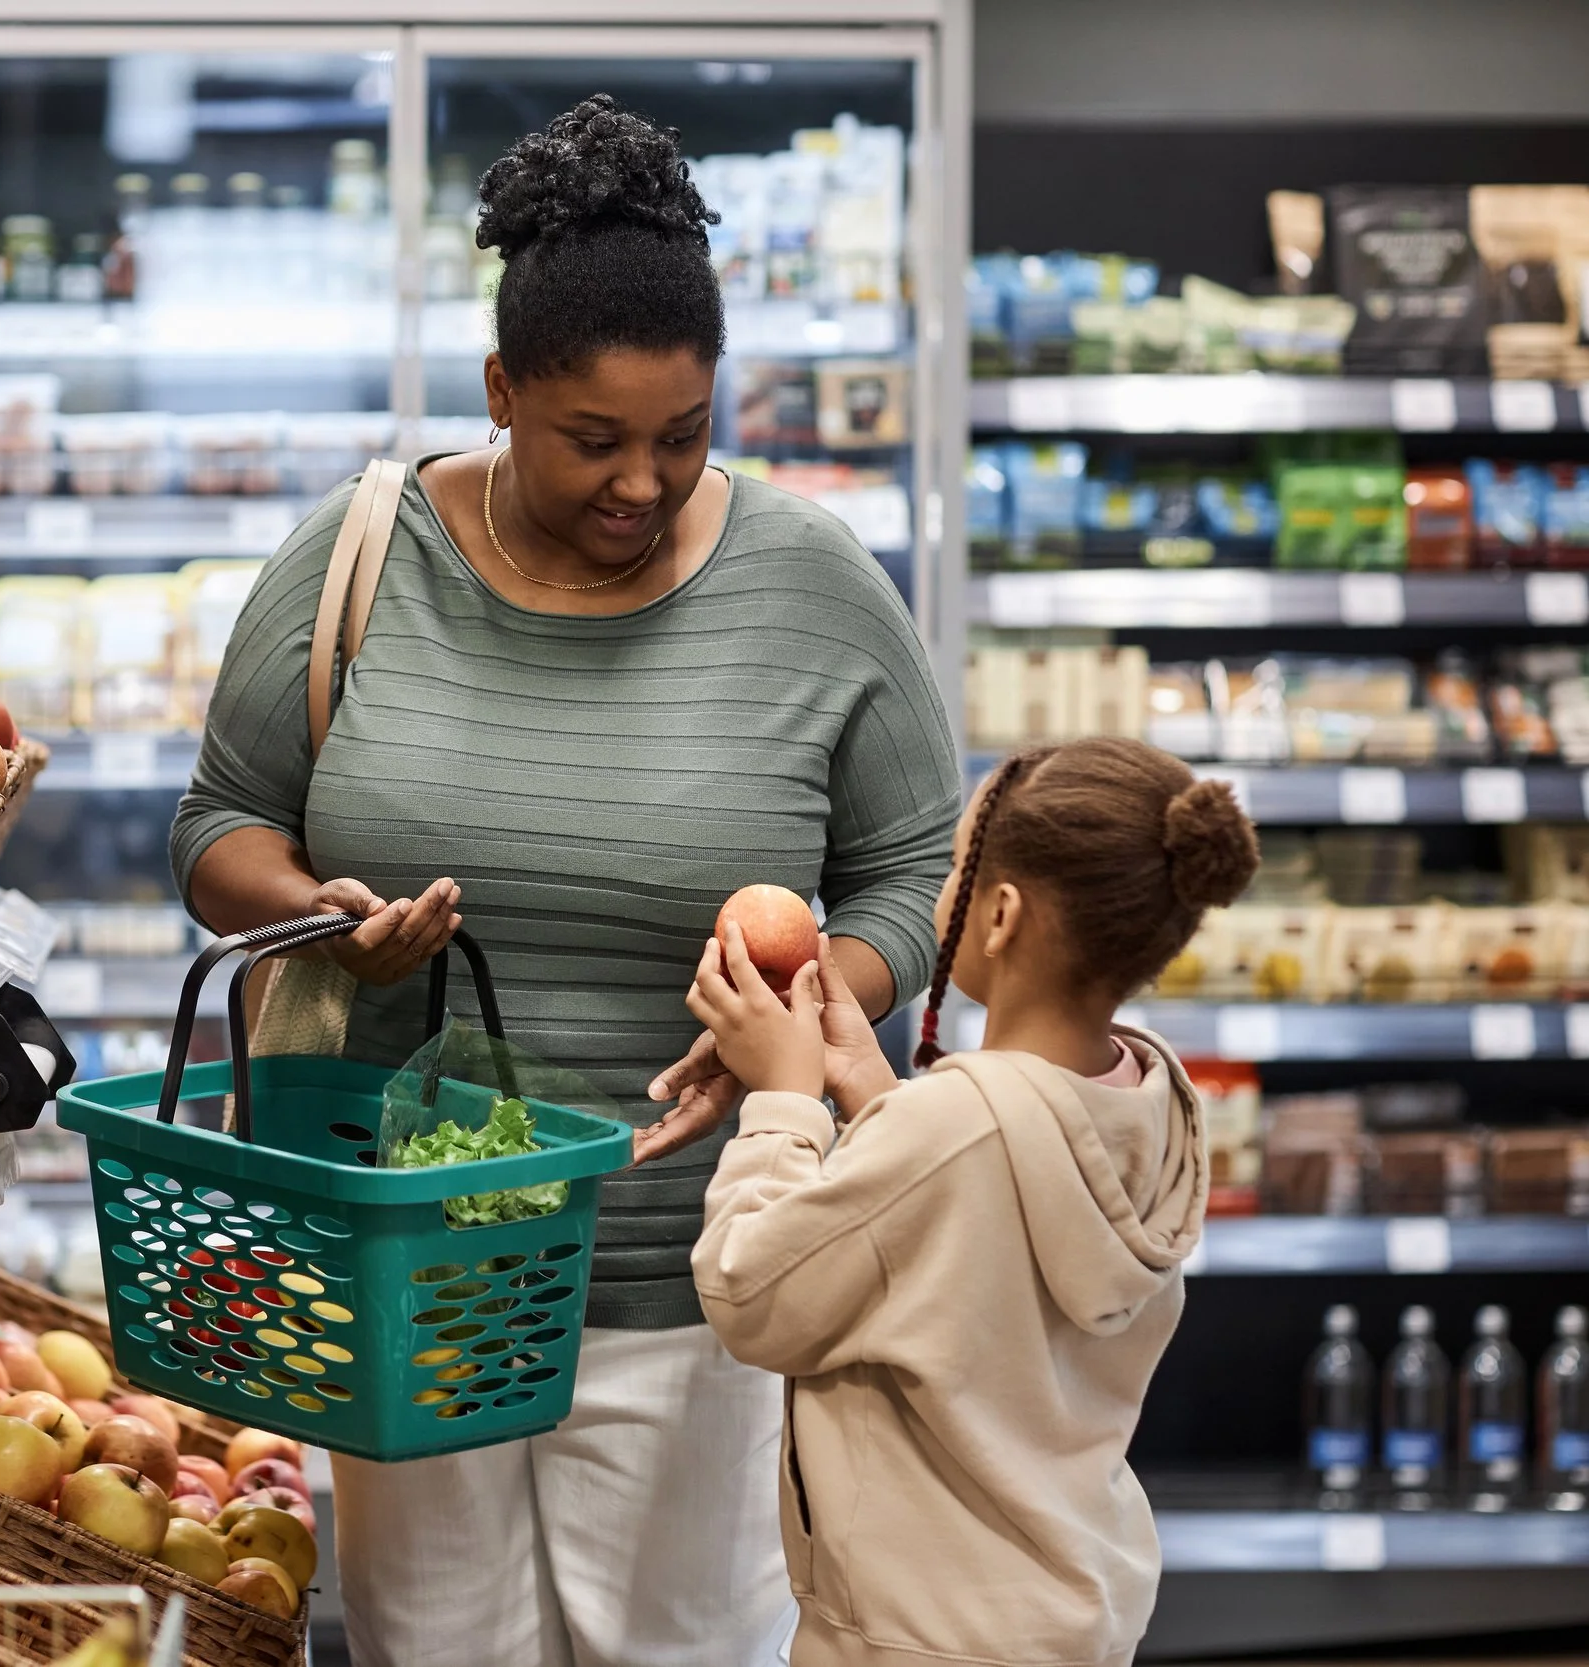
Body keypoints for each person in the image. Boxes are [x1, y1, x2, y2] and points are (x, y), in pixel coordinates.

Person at [171, 94, 957, 1667]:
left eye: (683, 436)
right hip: (413, 1260)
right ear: (501, 392)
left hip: (698, 1270)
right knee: (432, 1647)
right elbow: (219, 827)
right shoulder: (358, 555)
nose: (642, 483)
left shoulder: (812, 584)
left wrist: (802, 1009)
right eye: (593, 438)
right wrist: (326, 910)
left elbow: (916, 871)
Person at [688, 736, 1261, 1667]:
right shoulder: (1150, 1098)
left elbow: (750, 1293)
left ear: (1000, 914)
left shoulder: (953, 1127)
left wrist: (784, 1102)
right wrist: (872, 1093)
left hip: (917, 1630)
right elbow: (987, 1204)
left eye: (956, 866)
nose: (944, 888)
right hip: (1060, 1606)